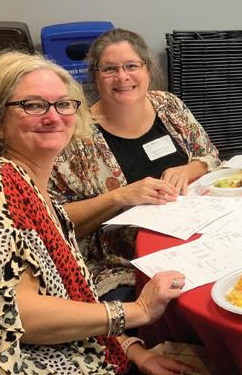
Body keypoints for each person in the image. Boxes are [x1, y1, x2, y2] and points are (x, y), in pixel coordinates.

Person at [0, 51, 242, 375]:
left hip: (51, 371)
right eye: (33, 105)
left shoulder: (32, 190)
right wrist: (137, 312)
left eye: (63, 104)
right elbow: (18, 316)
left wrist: (132, 349)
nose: (53, 116)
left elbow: (64, 295)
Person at [51, 28, 220, 301]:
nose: (122, 76)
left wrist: (187, 169)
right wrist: (119, 197)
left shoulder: (169, 106)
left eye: (131, 66)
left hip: (195, 240)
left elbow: (210, 157)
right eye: (109, 69)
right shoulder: (77, 137)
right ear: (95, 76)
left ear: (147, 70)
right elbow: (54, 220)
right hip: (122, 264)